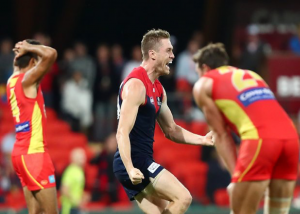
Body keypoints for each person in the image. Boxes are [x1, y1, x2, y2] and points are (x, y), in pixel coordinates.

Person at [113, 29, 214, 214]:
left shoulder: (158, 89)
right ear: (152, 54)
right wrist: (130, 168)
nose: (172, 55)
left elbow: (171, 129)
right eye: (168, 50)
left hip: (140, 161)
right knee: (183, 198)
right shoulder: (136, 85)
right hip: (134, 161)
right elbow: (122, 132)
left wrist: (203, 140)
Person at [192, 43, 299, 214]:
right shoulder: (252, 74)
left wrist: (236, 177)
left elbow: (221, 135)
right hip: (291, 138)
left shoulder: (204, 83)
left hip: (261, 140)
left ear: (204, 68)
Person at [6, 39, 58, 213]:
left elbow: (19, 65)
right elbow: (51, 54)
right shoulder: (27, 81)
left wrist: (21, 51)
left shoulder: (11, 81)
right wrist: (28, 48)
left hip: (20, 154)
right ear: (33, 62)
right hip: (34, 155)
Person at [60, 148, 86, 214]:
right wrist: (76, 201)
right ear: (74, 158)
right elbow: (64, 189)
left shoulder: (80, 171)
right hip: (69, 208)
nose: (84, 160)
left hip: (75, 207)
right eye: (81, 157)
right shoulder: (70, 171)